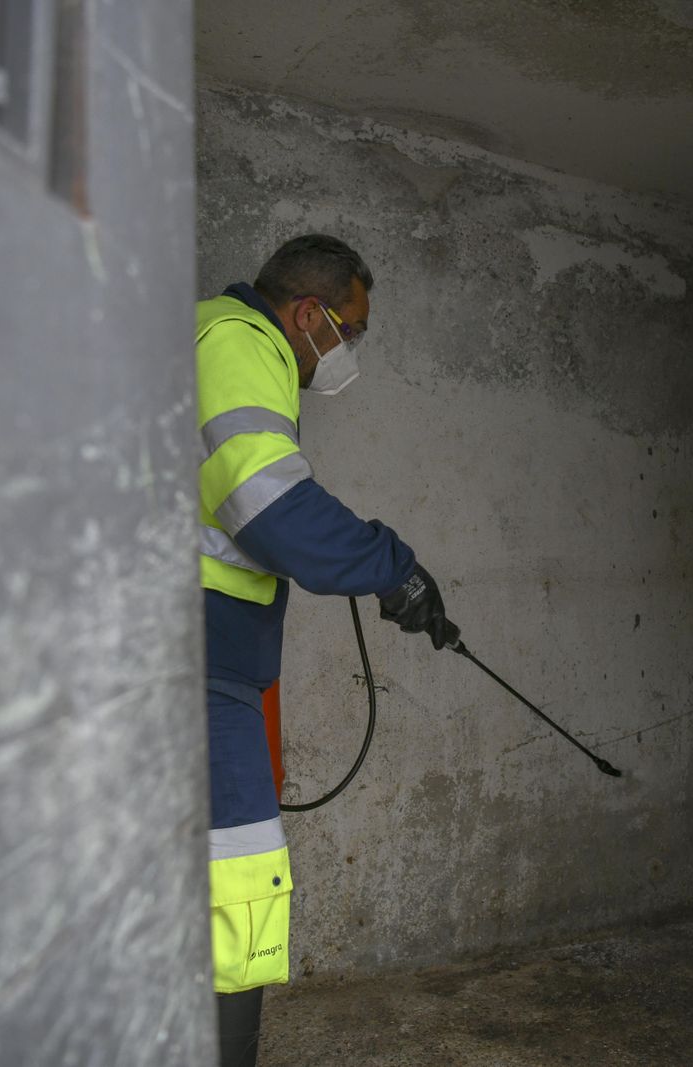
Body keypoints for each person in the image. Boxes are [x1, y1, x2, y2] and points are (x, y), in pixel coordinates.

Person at [196, 234, 455, 1067]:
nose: (349, 351)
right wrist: (394, 569)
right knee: (240, 878)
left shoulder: (218, 343)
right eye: (352, 328)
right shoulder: (240, 341)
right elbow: (272, 509)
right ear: (308, 313)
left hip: (197, 662)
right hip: (188, 670)